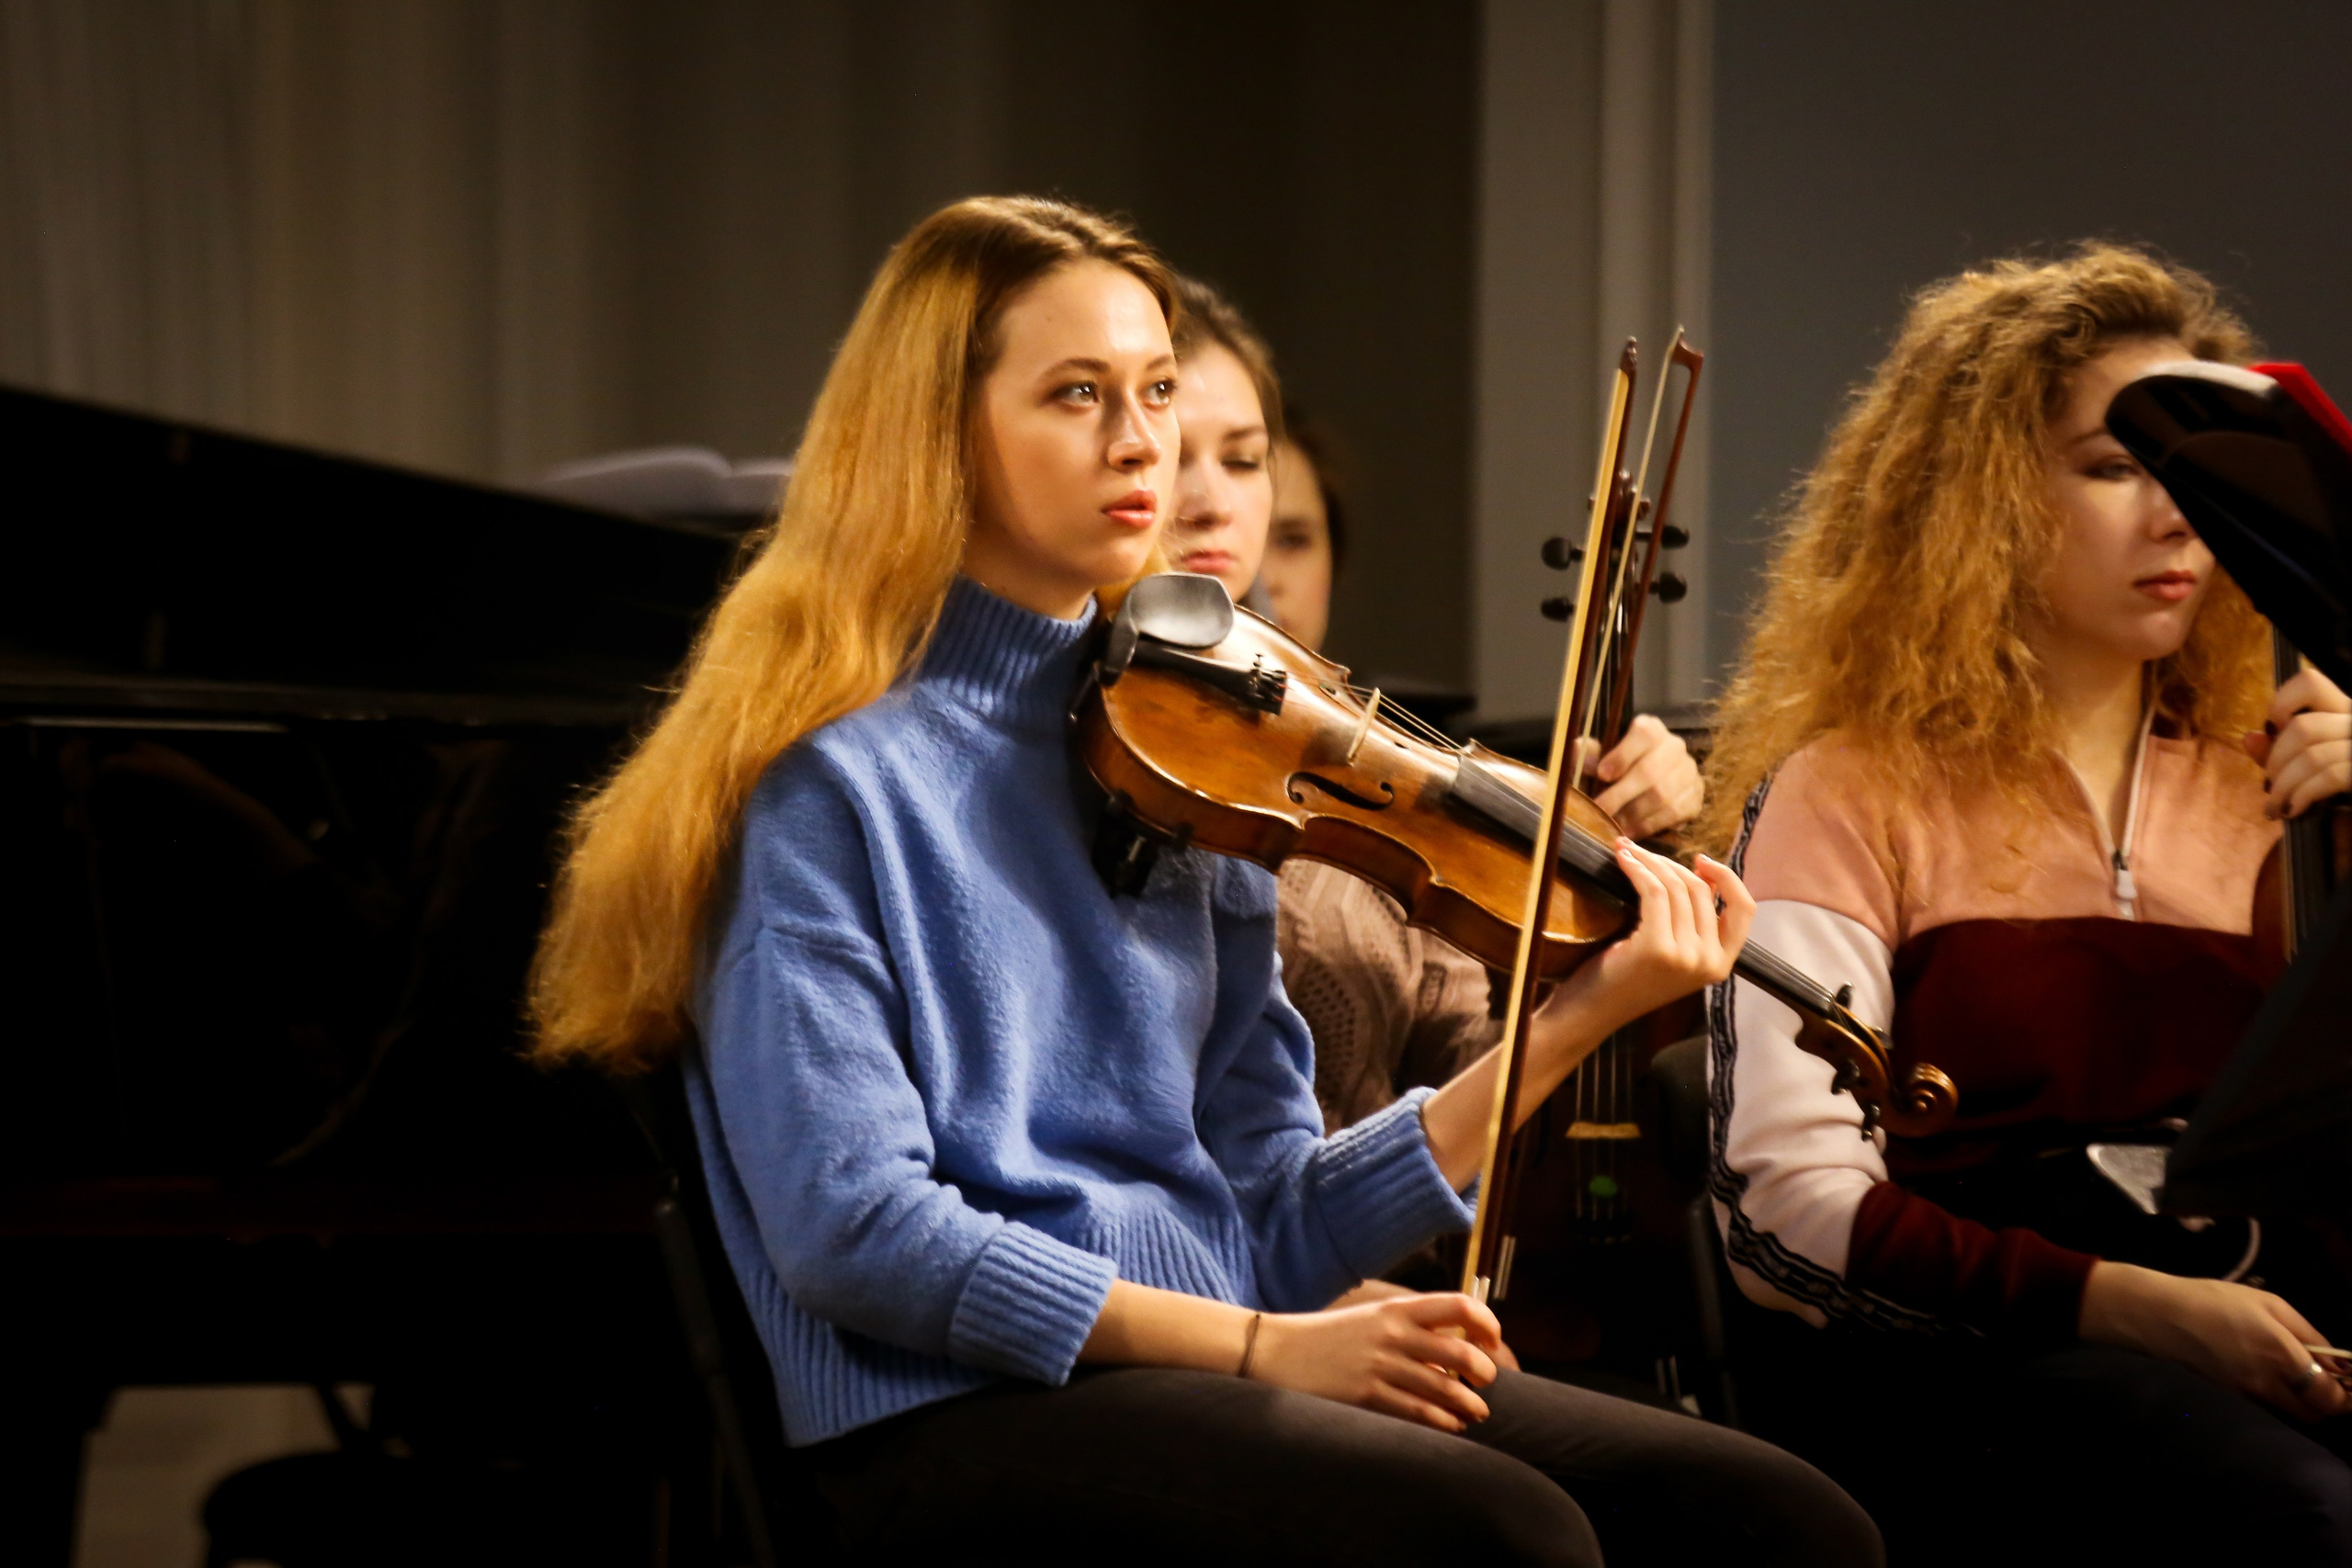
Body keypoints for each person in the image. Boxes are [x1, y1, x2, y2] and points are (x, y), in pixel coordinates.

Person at [528, 195, 1878, 1566]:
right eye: (1076, 393)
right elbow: (857, 1236)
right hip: (955, 1415)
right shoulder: (831, 790)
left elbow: (1275, 1211)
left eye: (1157, 388)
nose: (1142, 443)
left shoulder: (1195, 745)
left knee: (1778, 1521)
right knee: (1503, 1533)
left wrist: (1578, 1016)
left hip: (1215, 1366)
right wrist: (1258, 1345)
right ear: (939, 431)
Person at [1700, 243, 2352, 1566]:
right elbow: (1785, 1213)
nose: (2177, 516)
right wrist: (2133, 1304)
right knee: (2299, 1513)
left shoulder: (2286, 781)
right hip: (1977, 1362)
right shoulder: (1850, 787)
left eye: (2202, 477)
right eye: (2114, 467)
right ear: (1982, 497)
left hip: (2276, 1320)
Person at [1161, 276, 1705, 1134]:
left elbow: (1472, 1105)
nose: (1214, 503)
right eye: (1166, 453)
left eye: (1241, 459)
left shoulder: (1357, 775)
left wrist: (1598, 870)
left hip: (1390, 1265)